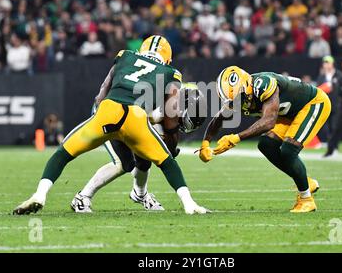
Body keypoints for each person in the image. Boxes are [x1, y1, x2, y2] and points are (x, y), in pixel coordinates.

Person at [13, 35, 209, 215]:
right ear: (168, 60)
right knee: (156, 161)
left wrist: (103, 118)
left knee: (64, 152)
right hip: (135, 116)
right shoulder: (170, 72)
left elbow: (102, 91)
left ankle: (40, 194)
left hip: (108, 109)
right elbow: (170, 117)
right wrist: (171, 145)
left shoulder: (126, 56)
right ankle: (189, 203)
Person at [199, 66, 331, 213]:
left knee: (288, 150)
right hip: (289, 114)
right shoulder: (238, 93)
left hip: (312, 104)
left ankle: (306, 200)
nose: (237, 102)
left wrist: (236, 138)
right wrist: (205, 143)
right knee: (266, 145)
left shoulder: (263, 84)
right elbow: (219, 118)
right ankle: (305, 182)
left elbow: (269, 121)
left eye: (238, 97)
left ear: (246, 86)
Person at [71, 84, 206, 212]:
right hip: (111, 112)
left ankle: (140, 194)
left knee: (144, 159)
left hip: (129, 114)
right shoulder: (159, 106)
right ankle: (83, 197)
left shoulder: (169, 101)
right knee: (124, 163)